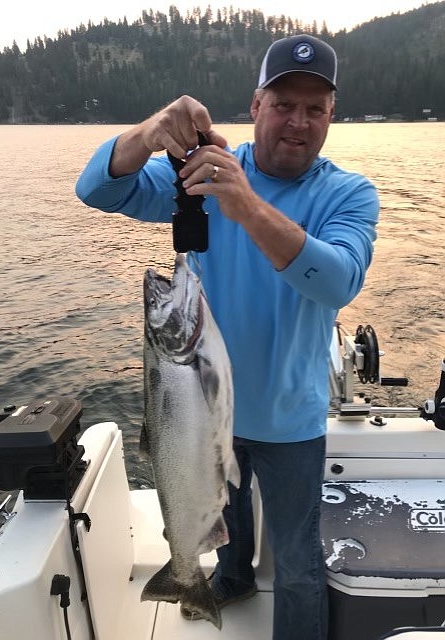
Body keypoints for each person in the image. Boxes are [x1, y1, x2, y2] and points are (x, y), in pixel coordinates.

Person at [76, 34, 379, 640]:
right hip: (205, 414)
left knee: (297, 564)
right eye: (283, 103)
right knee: (227, 530)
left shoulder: (347, 194)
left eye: (314, 108)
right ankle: (231, 579)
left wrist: (246, 205)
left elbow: (338, 280)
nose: (298, 122)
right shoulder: (205, 172)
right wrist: (148, 131)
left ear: (330, 117)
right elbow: (97, 189)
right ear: (257, 104)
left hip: (291, 420)